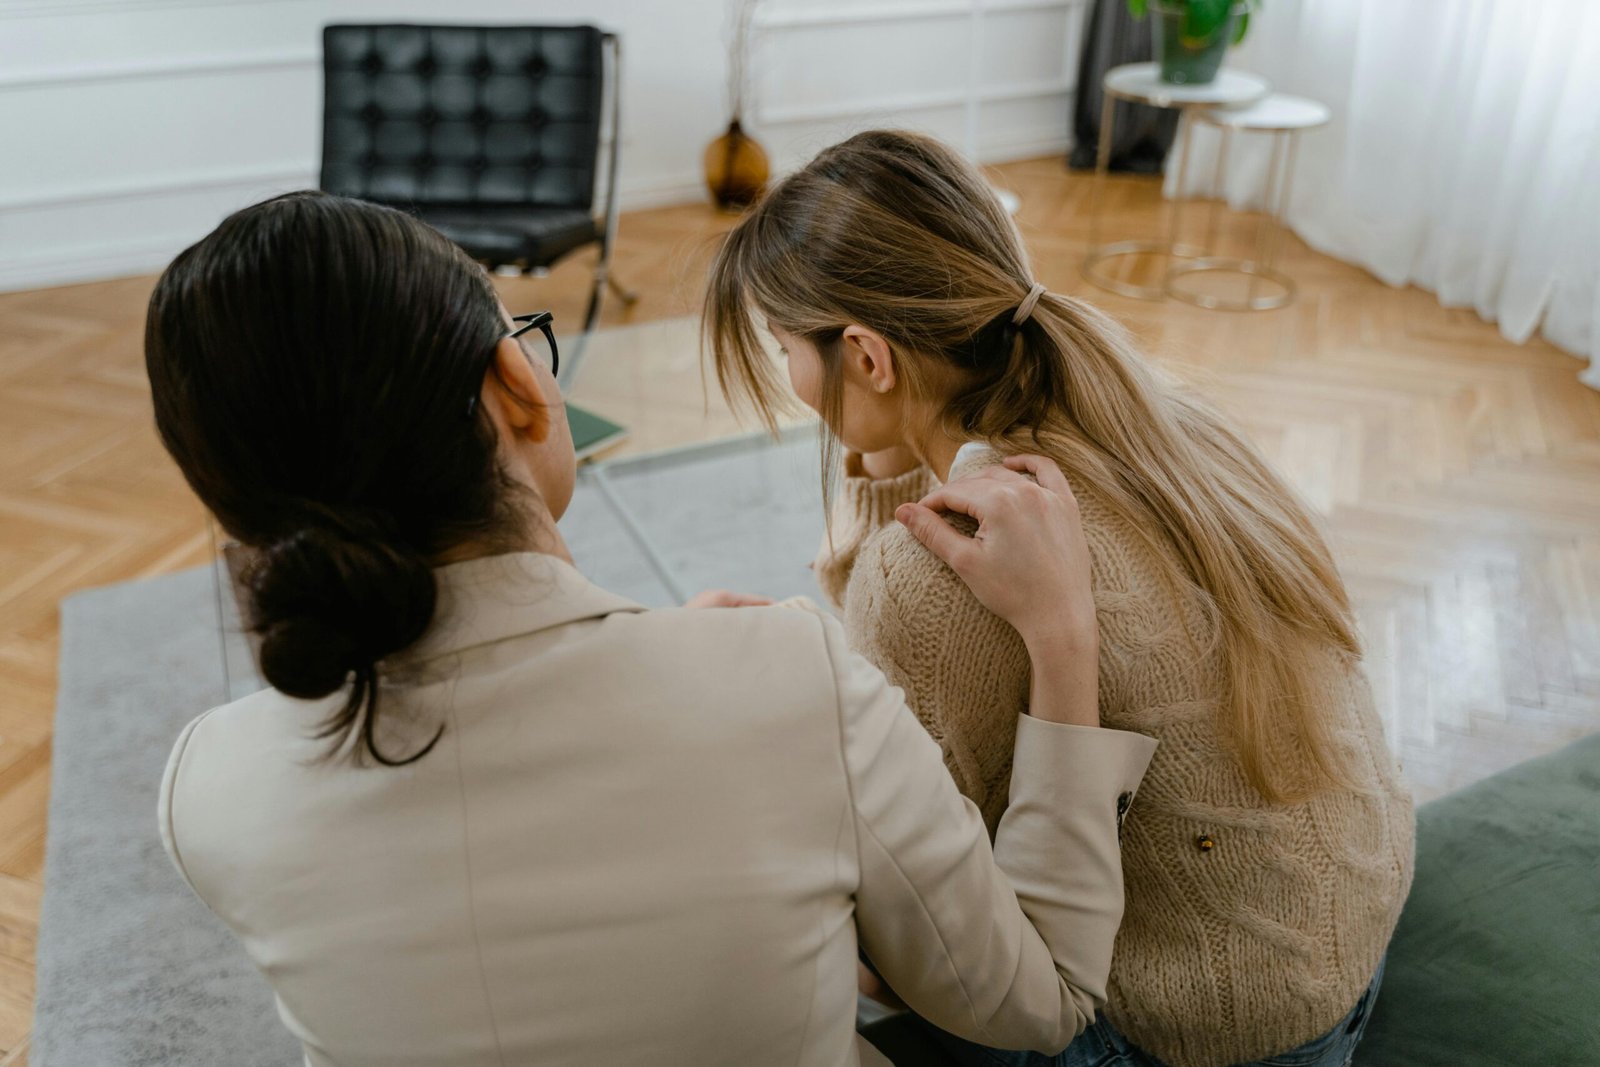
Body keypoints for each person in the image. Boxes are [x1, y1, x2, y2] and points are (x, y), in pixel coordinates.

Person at [147, 190, 1158, 1067]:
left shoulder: (206, 785)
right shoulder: (787, 676)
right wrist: (1063, 638)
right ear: (514, 388)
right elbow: (1040, 997)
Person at [705, 130, 1415, 1067]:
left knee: (807, 902)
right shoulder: (1153, 414)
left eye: (786, 347)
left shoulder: (927, 576)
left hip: (1203, 1029)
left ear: (868, 357)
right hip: (1344, 934)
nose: (793, 380)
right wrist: (892, 462)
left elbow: (942, 904)